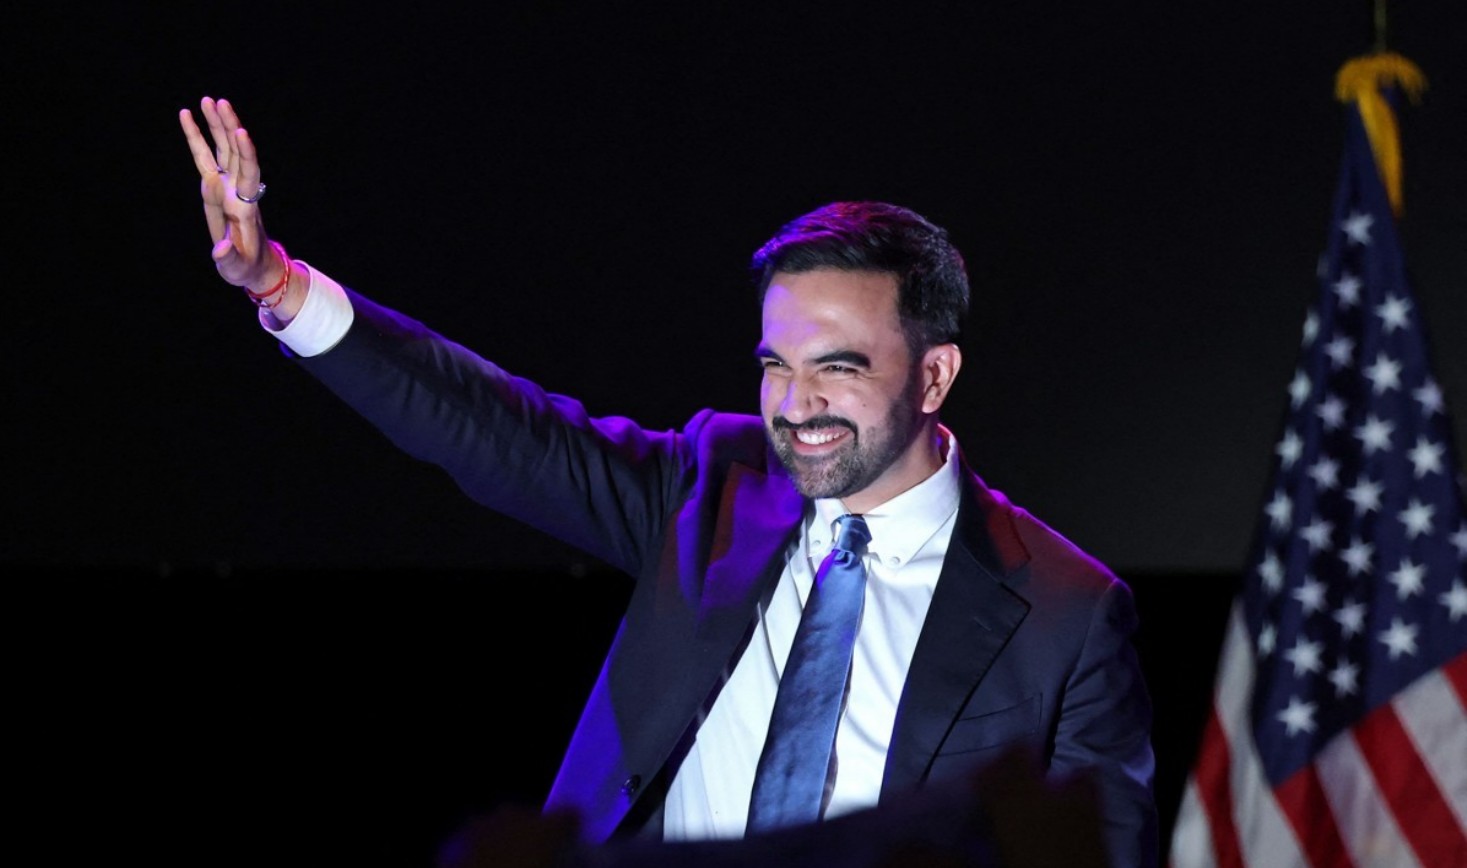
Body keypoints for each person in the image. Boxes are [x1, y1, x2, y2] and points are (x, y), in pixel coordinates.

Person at [180, 96, 1158, 867]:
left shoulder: (1064, 614)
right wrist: (278, 285)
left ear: (934, 376)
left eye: (838, 366)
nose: (796, 403)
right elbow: (496, 430)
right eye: (775, 364)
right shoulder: (713, 482)